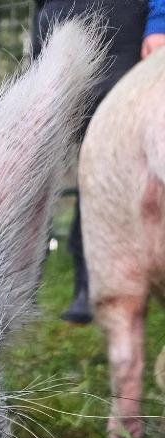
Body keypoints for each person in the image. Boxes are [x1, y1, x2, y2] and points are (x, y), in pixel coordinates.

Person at [33, 1, 165, 323]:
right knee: (43, 157)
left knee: (102, 160)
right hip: (62, 19)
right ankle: (25, 278)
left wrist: (159, 22)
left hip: (123, 25)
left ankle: (90, 282)